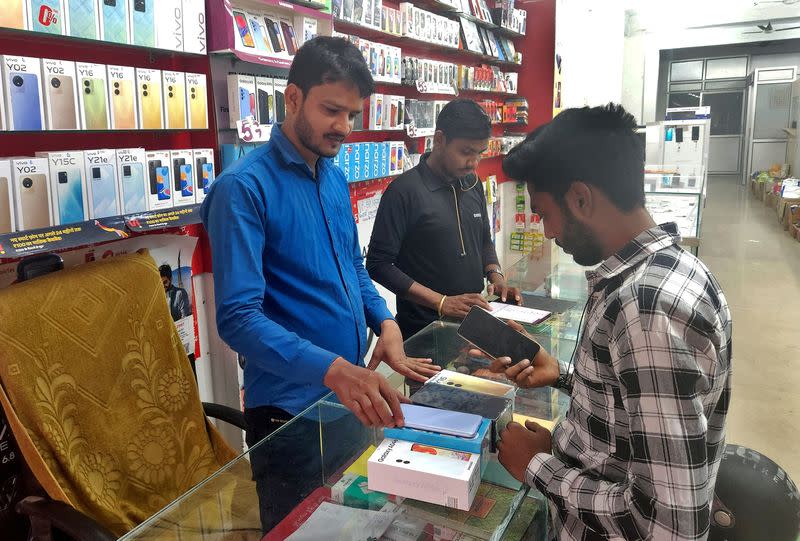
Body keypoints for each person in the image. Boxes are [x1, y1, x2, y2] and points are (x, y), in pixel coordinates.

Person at [201, 36, 438, 531]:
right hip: (288, 415)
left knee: (350, 524)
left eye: (353, 115)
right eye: (333, 110)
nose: (344, 128)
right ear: (292, 99)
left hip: (348, 397)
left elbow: (353, 265)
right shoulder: (243, 189)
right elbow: (238, 319)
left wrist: (386, 321)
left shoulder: (332, 176)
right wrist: (334, 370)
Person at [493, 103, 732, 540]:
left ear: (581, 199)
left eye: (546, 214)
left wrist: (538, 467)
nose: (546, 232)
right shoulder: (669, 269)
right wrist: (567, 377)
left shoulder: (647, 308)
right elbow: (632, 409)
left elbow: (668, 525)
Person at [367, 99, 521, 341]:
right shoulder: (403, 191)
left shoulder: (473, 184)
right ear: (439, 140)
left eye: (479, 154)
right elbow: (379, 265)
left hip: (473, 323)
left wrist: (497, 278)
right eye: (466, 152)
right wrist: (441, 302)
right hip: (423, 333)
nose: (473, 163)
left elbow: (483, 240)